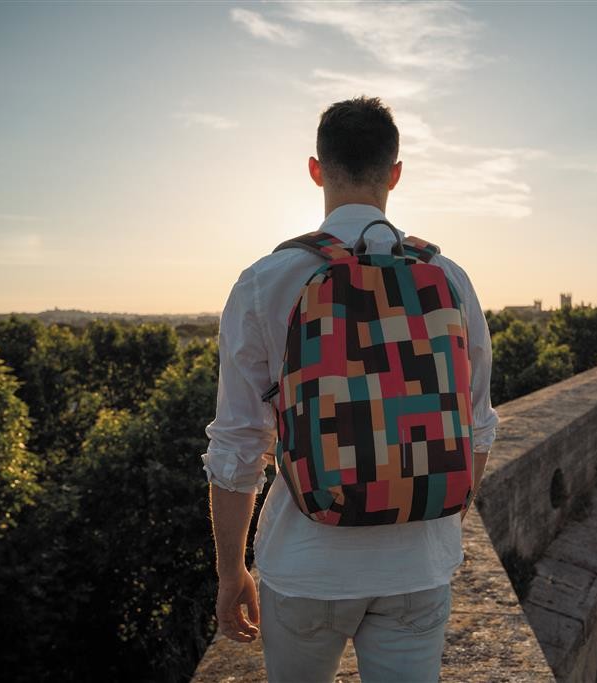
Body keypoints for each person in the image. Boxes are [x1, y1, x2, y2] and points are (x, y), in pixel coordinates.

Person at [202, 96, 498, 683]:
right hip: (418, 564)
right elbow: (477, 426)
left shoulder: (266, 281)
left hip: (306, 564)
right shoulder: (448, 278)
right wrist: (432, 516)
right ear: (395, 173)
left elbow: (237, 447)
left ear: (316, 169)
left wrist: (231, 572)